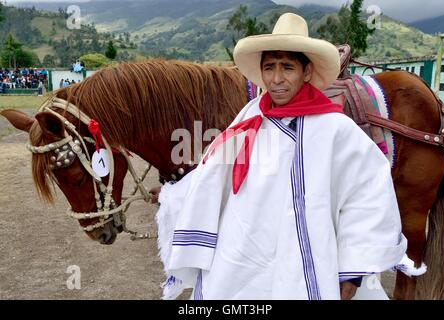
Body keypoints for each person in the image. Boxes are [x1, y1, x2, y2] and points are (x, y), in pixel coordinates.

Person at [155, 13, 407, 300]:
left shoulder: (335, 130)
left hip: (303, 255)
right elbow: (214, 174)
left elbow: (367, 197)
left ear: (307, 72)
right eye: (269, 67)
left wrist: (352, 269)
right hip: (242, 252)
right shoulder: (250, 115)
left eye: (287, 67)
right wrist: (175, 195)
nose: (276, 79)